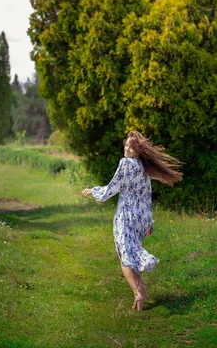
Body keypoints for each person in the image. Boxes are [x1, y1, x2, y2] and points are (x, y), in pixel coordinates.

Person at [81, 131, 182, 311]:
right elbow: (146, 195)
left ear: (139, 151)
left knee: (124, 256)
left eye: (131, 147)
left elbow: (113, 187)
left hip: (126, 216)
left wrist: (93, 191)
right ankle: (141, 287)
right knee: (132, 253)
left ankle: (137, 293)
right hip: (140, 218)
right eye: (126, 146)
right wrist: (149, 222)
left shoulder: (125, 163)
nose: (127, 149)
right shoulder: (144, 168)